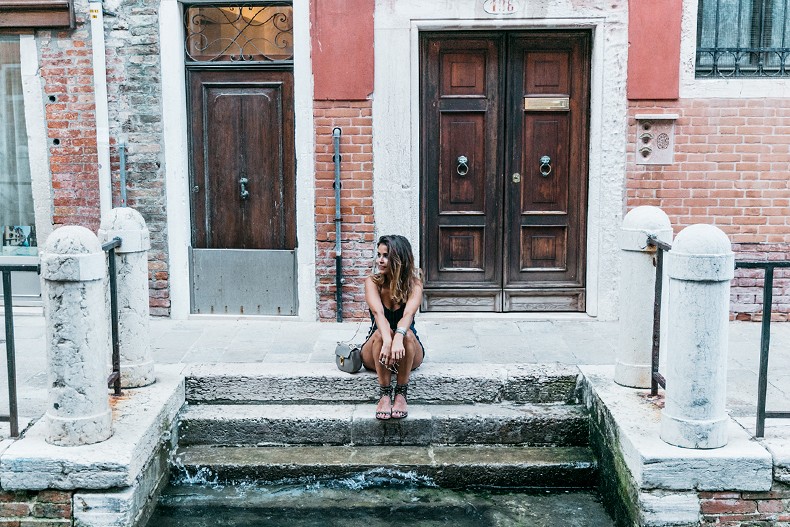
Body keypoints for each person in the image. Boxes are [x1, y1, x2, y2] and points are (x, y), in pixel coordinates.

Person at [360, 235, 425, 420]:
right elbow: (379, 314)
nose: (380, 260)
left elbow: (408, 315)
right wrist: (388, 340)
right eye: (378, 254)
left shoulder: (414, 284)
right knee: (383, 333)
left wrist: (398, 337)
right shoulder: (372, 282)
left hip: (407, 351)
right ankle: (384, 394)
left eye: (386, 256)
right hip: (377, 349)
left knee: (407, 334)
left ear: (399, 259)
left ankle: (401, 394)